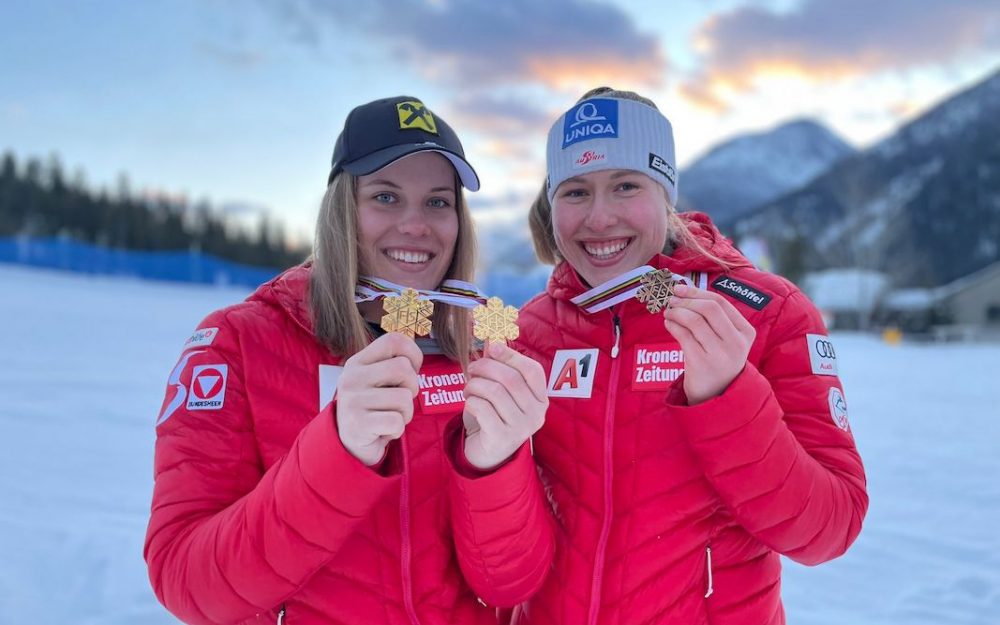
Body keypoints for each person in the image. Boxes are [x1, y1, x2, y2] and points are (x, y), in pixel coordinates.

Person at [450, 87, 869, 624]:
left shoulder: (768, 313)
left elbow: (830, 529)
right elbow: (503, 567)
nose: (599, 219)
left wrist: (728, 397)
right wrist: (489, 458)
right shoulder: (529, 332)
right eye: (575, 192)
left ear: (665, 192)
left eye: (625, 186)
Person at [144, 96, 552, 625]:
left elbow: (510, 585)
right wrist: (338, 450)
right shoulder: (238, 344)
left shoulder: (481, 357)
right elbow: (187, 582)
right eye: (385, 196)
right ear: (342, 210)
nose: (416, 225)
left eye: (437, 202)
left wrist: (494, 463)